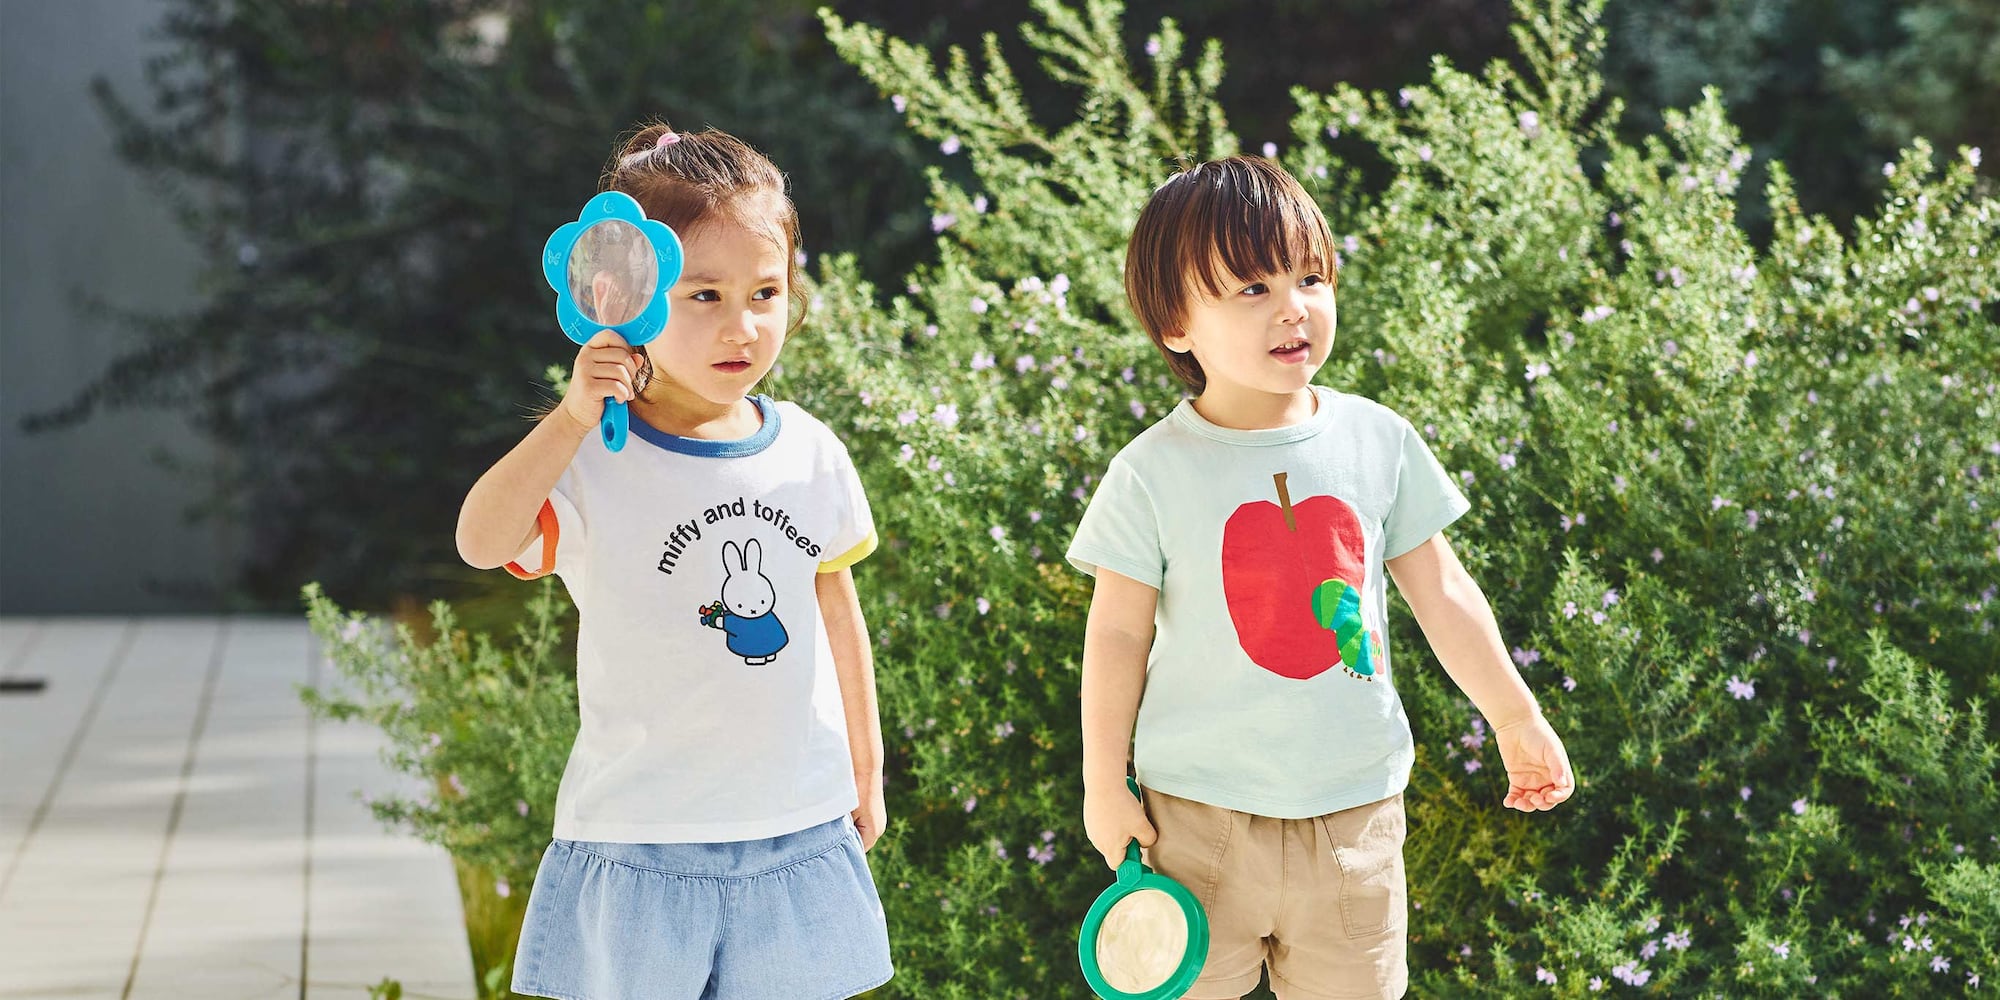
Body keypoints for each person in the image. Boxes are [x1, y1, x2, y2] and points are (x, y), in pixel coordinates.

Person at [1067, 155, 1575, 1000]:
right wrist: (1102, 783)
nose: (1292, 307)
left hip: (1354, 817)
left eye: (1310, 277)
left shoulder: (1379, 441)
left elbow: (1443, 593)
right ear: (1176, 325)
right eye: (1252, 288)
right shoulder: (1150, 472)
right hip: (1193, 818)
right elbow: (1117, 632)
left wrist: (1516, 718)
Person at [455, 122, 893, 1000]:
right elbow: (482, 540)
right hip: (640, 839)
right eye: (705, 295)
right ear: (624, 298)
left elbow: (836, 611)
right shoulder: (591, 459)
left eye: (766, 291)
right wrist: (570, 419)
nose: (743, 325)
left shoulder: (811, 451)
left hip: (795, 828)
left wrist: (866, 770)